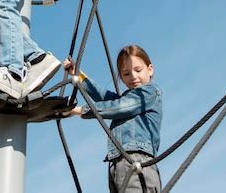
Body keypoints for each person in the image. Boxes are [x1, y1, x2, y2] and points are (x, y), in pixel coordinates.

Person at [64, 44, 162, 192]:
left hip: (137, 161)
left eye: (138, 70)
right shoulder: (127, 97)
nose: (133, 77)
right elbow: (103, 96)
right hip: (119, 164)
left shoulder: (149, 93)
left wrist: (78, 110)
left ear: (150, 69)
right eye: (126, 74)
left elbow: (119, 107)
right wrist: (78, 74)